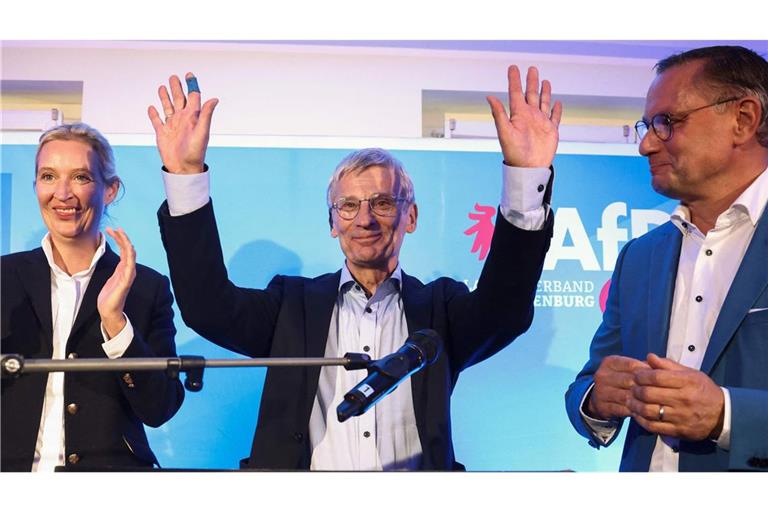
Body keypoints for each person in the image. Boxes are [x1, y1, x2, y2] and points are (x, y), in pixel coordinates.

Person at [150, 66, 561, 470]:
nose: (364, 219)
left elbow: (505, 309)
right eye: (348, 206)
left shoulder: (441, 309)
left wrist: (526, 180)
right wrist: (185, 176)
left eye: (382, 203)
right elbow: (207, 306)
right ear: (332, 222)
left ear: (411, 217)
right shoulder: (291, 305)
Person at [565, 45, 768, 471]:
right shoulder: (639, 258)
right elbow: (589, 382)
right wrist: (598, 399)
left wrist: (726, 415)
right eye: (647, 125)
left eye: (666, 123)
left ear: (743, 119)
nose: (644, 145)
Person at [1, 123, 185, 471]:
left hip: (106, 488)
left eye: (81, 177)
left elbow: (160, 408)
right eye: (49, 176)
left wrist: (115, 323)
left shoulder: (146, 287)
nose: (63, 193)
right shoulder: (4, 279)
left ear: (110, 189)